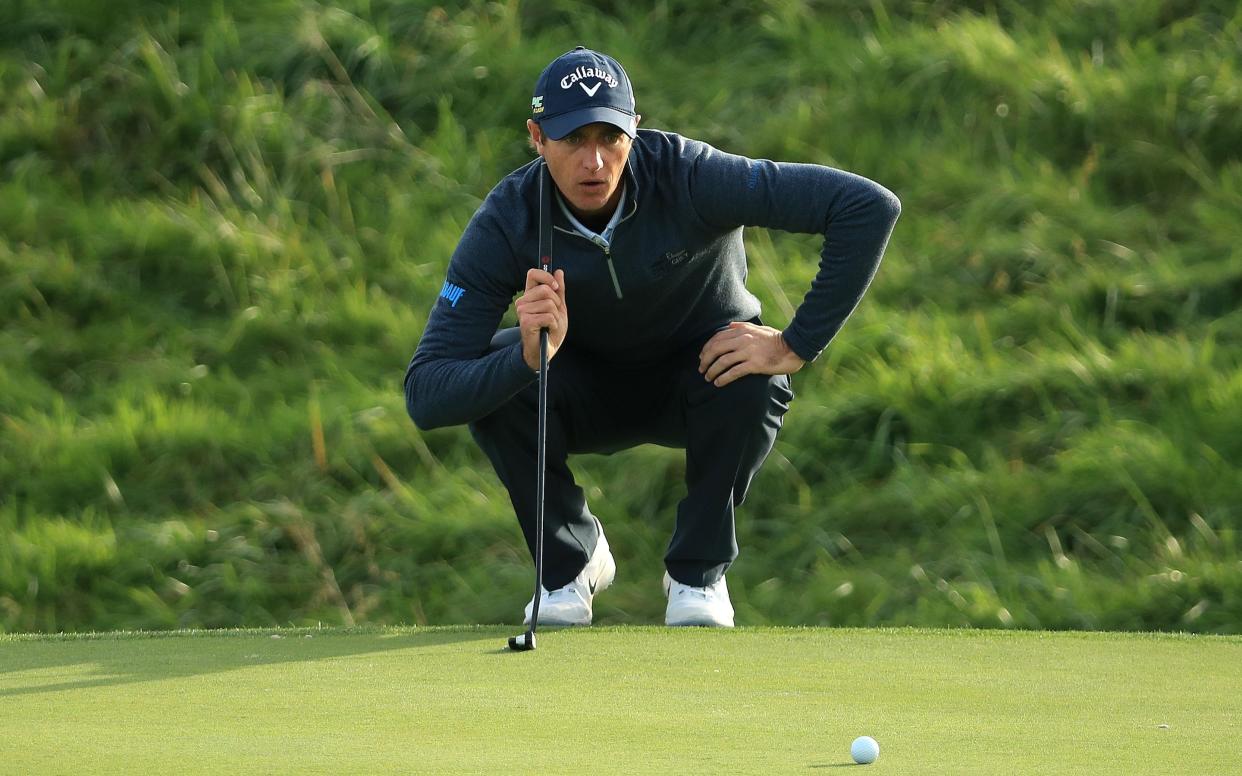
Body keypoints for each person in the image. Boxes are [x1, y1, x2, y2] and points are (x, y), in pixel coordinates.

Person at [404, 47, 900, 627]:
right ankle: (569, 564)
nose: (593, 161)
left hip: (697, 382)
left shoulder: (691, 175)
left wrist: (793, 345)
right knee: (500, 368)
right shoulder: (506, 221)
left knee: (756, 375)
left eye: (609, 137)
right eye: (571, 140)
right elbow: (427, 392)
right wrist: (527, 358)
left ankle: (698, 575)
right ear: (537, 138)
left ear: (634, 131)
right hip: (581, 389)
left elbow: (866, 207)